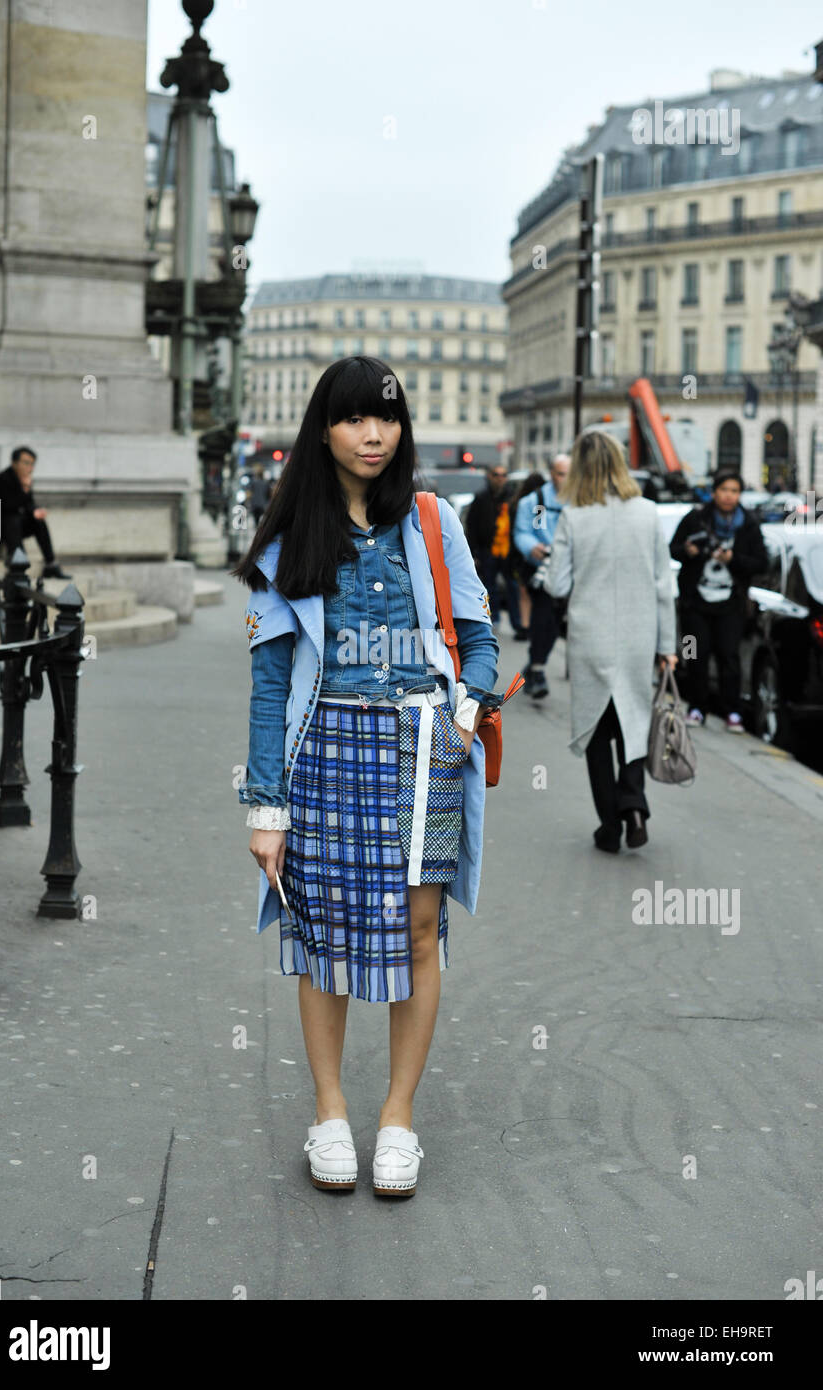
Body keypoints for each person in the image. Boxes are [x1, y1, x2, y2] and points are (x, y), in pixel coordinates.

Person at [231, 356, 502, 1198]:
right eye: (353, 419)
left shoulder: (431, 520)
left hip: (425, 747)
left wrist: (462, 716)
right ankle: (330, 1113)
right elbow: (271, 682)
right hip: (325, 750)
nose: (373, 434)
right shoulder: (290, 540)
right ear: (324, 430)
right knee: (321, 935)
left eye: (385, 418)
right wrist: (264, 805)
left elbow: (480, 636)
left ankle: (398, 1119)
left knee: (422, 934)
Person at [542, 431, 676, 852]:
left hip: (592, 637)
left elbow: (557, 583)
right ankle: (634, 805)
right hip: (639, 636)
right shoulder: (649, 513)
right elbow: (664, 586)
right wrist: (668, 646)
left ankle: (609, 827)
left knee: (598, 732)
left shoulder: (574, 517)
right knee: (635, 720)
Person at [669, 467, 768, 733]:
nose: (728, 496)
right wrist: (688, 551)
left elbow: (761, 563)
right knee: (693, 655)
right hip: (695, 603)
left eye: (734, 491)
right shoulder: (696, 518)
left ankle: (733, 711)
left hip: (730, 605)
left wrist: (732, 559)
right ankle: (696, 707)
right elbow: (673, 548)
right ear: (714, 492)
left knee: (729, 656)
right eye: (724, 490)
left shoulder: (748, 524)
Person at [512, 453, 570, 698]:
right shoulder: (536, 502)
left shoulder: (580, 501)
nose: (564, 479)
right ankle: (537, 669)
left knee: (556, 623)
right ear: (552, 473)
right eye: (560, 473)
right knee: (542, 615)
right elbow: (524, 532)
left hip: (567, 569)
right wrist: (531, 547)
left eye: (569, 474)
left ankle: (535, 664)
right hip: (541, 568)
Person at [0, 447, 71, 578]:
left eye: (32, 464)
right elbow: (7, 507)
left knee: (37, 520)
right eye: (26, 463)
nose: (30, 468)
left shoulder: (23, 480)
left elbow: (28, 504)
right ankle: (17, 563)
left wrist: (35, 511)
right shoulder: (2, 479)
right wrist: (25, 490)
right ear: (14, 463)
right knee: (12, 518)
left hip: (9, 526)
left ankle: (51, 564)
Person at [464, 463, 523, 635]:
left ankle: (517, 623)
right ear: (490, 476)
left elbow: (526, 522)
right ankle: (493, 618)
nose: (500, 478)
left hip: (508, 552)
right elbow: (471, 525)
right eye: (496, 474)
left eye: (503, 475)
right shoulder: (481, 498)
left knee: (512, 586)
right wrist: (473, 552)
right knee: (489, 587)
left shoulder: (512, 498)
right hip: (487, 549)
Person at [507, 470, 545, 640]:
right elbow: (539, 527)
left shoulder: (516, 503)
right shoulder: (539, 504)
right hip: (532, 552)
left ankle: (524, 625)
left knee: (522, 591)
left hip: (515, 552)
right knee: (534, 592)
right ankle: (531, 625)